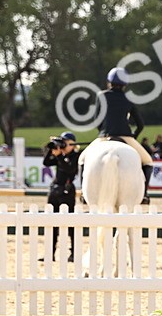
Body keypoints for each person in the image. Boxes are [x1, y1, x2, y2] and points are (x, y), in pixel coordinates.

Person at [80, 67, 154, 203]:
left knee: (82, 159)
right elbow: (140, 124)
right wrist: (133, 136)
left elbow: (97, 120)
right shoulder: (128, 99)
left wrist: (103, 133)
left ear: (109, 82)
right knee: (148, 161)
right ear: (125, 84)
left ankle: (84, 194)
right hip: (126, 136)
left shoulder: (101, 95)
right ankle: (144, 194)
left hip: (104, 136)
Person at [43, 131, 80, 260]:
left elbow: (70, 169)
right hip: (55, 188)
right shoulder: (61, 154)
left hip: (67, 190)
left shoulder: (76, 156)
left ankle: (74, 253)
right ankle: (50, 253)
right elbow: (46, 162)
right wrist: (52, 149)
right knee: (51, 222)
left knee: (70, 223)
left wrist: (59, 156)